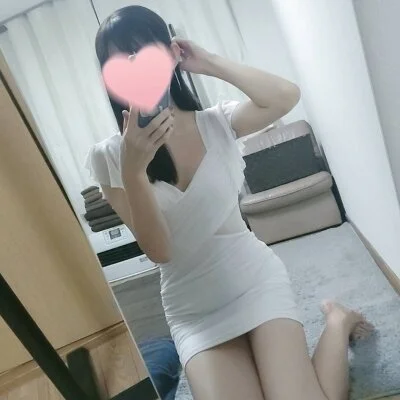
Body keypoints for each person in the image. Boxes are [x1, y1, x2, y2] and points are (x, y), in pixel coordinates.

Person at [86, 6, 374, 400]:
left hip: (254, 281)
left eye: (142, 51)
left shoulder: (217, 122)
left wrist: (207, 62)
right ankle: (336, 322)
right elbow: (160, 251)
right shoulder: (108, 157)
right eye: (119, 59)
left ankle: (337, 321)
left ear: (169, 53)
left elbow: (286, 96)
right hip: (194, 311)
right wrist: (134, 172)